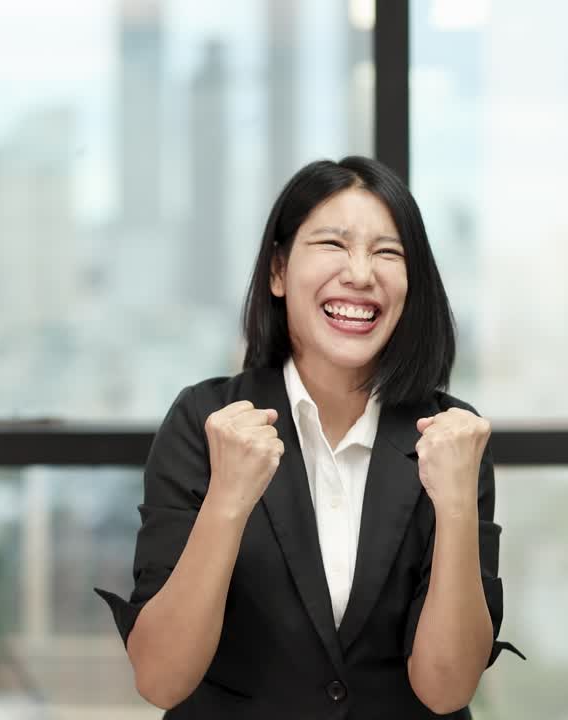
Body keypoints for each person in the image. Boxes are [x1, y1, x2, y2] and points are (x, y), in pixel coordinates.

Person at [96, 156, 522, 718]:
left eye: (388, 252)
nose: (361, 273)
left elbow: (446, 688)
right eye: (333, 244)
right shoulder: (205, 420)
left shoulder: (450, 437)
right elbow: (160, 678)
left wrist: (457, 507)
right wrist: (227, 499)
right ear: (277, 270)